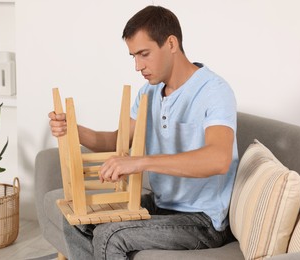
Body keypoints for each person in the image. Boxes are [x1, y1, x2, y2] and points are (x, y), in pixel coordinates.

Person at [49, 5, 238, 260]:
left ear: (171, 43)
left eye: (144, 54)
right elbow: (118, 140)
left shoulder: (213, 91)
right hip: (161, 207)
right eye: (133, 56)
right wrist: (73, 130)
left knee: (110, 236)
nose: (138, 66)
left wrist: (139, 162)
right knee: (76, 218)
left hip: (201, 221)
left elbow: (218, 159)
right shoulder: (147, 94)